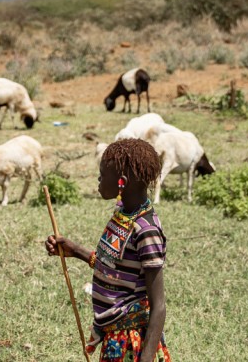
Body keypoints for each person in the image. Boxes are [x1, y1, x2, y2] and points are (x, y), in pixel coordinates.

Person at [45, 138, 170, 362]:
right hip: (114, 335)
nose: (99, 179)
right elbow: (115, 268)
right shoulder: (122, 213)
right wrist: (74, 250)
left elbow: (158, 305)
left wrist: (146, 357)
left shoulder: (146, 231)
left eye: (103, 175)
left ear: (122, 182)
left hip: (131, 343)